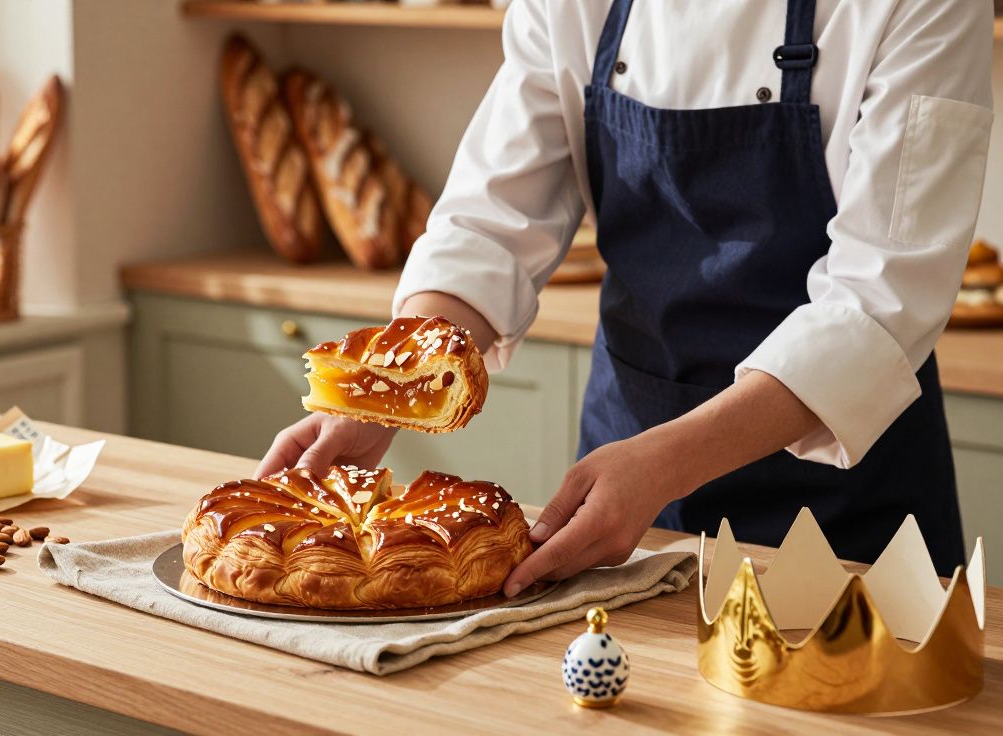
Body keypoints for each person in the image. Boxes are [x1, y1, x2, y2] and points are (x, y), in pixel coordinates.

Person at [257, 0, 994, 593]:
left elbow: (878, 303)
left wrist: (664, 463)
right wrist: (386, 390)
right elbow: (490, 225)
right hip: (621, 501)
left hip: (845, 522)